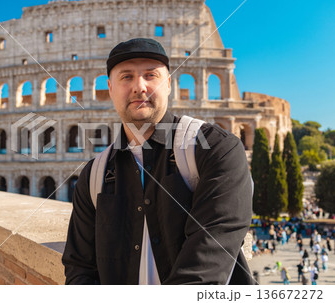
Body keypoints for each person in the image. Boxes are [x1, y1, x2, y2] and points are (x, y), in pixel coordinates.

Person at [62, 38, 254, 285]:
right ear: (110, 88)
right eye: (126, 77)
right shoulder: (94, 174)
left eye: (151, 75)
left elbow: (205, 268)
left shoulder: (216, 149)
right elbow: (80, 268)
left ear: (169, 84)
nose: (139, 87)